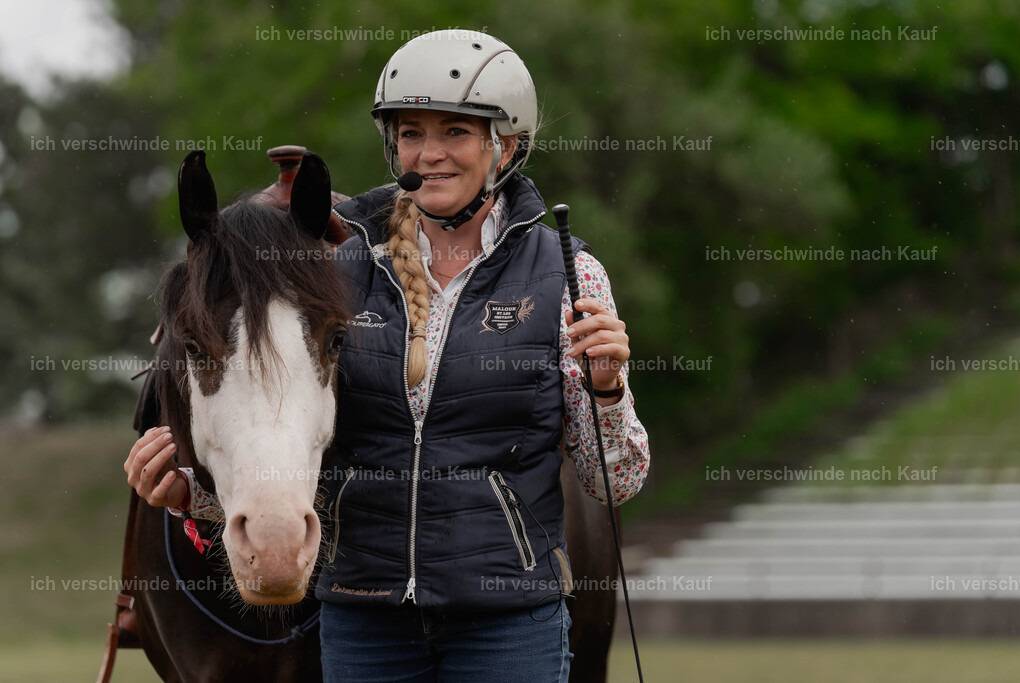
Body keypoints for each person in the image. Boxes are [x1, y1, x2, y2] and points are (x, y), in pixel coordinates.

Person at [124, 29, 649, 682]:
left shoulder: (571, 276)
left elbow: (613, 481)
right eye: (410, 133)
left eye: (455, 131)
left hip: (510, 621)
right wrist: (189, 498)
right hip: (366, 624)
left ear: (505, 145)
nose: (430, 153)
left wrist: (606, 389)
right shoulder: (335, 280)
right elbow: (303, 463)